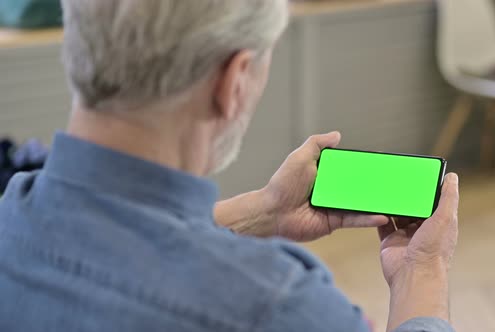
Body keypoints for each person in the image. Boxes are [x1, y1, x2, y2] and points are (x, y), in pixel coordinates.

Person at [0, 1, 460, 331]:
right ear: (233, 81)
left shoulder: (9, 214)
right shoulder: (277, 306)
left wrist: (262, 212)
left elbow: (111, 242)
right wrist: (422, 272)